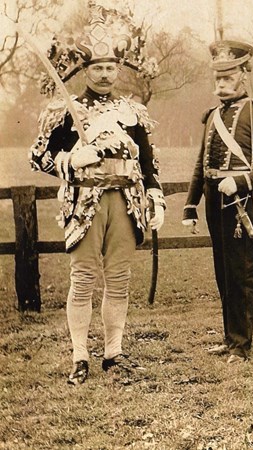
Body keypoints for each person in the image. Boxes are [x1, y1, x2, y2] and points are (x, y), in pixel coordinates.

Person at [28, 3, 165, 384]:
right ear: (86, 70)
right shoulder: (65, 110)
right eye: (97, 68)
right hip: (85, 203)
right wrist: (70, 160)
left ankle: (113, 353)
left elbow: (149, 163)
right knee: (84, 278)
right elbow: (37, 156)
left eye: (110, 68)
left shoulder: (133, 112)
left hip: (126, 203)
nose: (105, 75)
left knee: (119, 278)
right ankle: (79, 356)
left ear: (119, 70)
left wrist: (155, 196)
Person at [182, 40, 253, 363]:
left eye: (228, 76)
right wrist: (190, 205)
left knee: (242, 274)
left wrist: (242, 181)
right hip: (214, 202)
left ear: (243, 75)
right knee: (223, 272)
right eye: (218, 77)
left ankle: (242, 345)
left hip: (244, 203)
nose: (222, 83)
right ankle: (230, 339)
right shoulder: (211, 116)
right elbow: (201, 165)